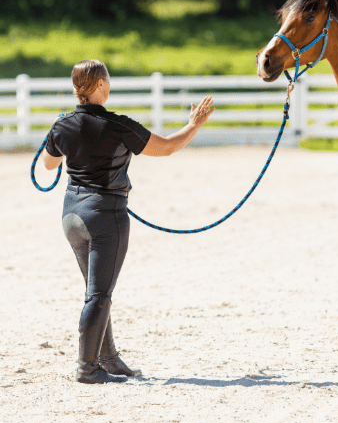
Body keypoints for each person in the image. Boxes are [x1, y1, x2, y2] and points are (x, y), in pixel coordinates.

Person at [41, 60, 214, 384]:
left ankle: (108, 358)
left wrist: (63, 137)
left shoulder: (61, 125)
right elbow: (166, 148)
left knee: (95, 291)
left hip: (71, 217)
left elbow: (49, 165)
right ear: (100, 86)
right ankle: (87, 368)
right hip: (105, 216)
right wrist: (194, 125)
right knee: (99, 295)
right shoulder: (119, 125)